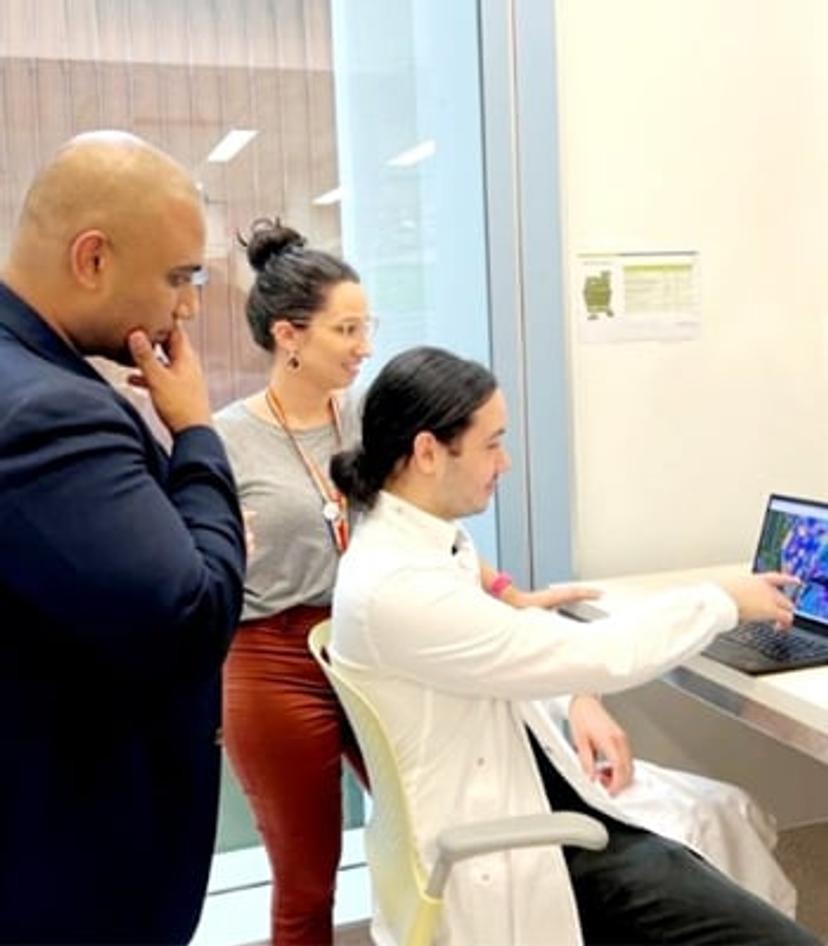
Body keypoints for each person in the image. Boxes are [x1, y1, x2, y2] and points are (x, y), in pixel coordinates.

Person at [329, 345, 820, 946]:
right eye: (491, 443)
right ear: (428, 451)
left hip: (547, 796)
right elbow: (600, 653)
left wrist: (575, 699)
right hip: (525, 846)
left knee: (725, 814)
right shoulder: (397, 587)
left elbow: (514, 657)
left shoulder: (424, 545)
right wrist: (720, 600)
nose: (504, 461)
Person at [0, 131, 246, 945]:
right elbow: (192, 617)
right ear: (93, 258)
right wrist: (197, 436)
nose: (189, 306)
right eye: (179, 276)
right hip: (73, 873)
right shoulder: (49, 412)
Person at [214, 219, 373, 946]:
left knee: (437, 829)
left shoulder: (371, 421)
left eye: (366, 327)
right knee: (307, 883)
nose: (363, 346)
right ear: (290, 336)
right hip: (272, 659)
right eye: (346, 329)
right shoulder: (223, 438)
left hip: (372, 643)